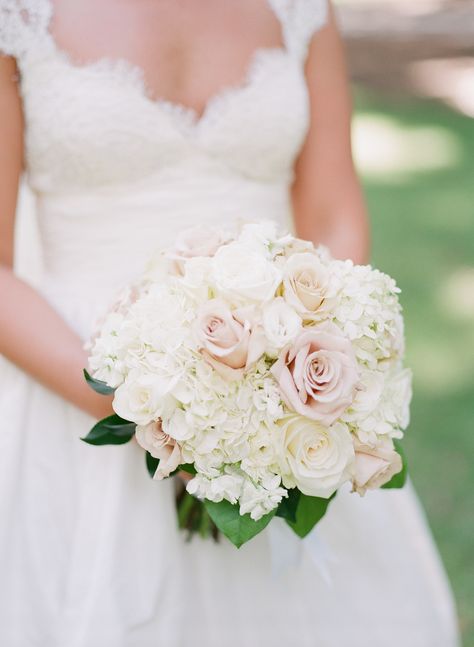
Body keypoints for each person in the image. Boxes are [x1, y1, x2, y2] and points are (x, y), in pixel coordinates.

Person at [0, 1, 459, 645]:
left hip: (283, 372)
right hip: (75, 373)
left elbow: (332, 215)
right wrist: (156, 411)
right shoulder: (19, 14)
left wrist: (298, 362)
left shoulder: (301, 8)